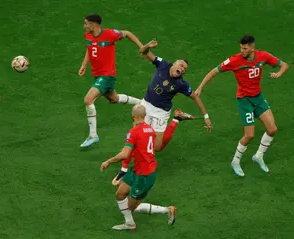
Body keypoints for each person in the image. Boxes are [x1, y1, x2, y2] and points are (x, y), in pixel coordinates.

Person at [112, 40, 213, 185]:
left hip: (161, 113)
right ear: (175, 64)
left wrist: (206, 116)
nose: (182, 69)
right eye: (181, 66)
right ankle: (124, 169)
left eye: (185, 69)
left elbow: (195, 97)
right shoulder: (162, 64)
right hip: (145, 106)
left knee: (157, 147)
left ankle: (176, 119)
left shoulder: (182, 84)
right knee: (135, 138)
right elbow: (143, 52)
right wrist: (148, 46)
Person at [195, 34, 289, 177]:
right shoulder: (234, 60)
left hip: (258, 98)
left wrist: (279, 74)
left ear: (252, 48)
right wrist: (200, 87)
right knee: (249, 135)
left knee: (272, 129)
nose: (242, 51)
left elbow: (284, 65)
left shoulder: (263, 56)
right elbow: (214, 71)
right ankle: (235, 161)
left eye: (245, 48)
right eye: (241, 48)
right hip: (244, 100)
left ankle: (258, 156)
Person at [101, 104, 176, 231]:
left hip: (145, 175)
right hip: (137, 169)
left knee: (131, 207)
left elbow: (125, 154)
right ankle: (130, 224)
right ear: (144, 115)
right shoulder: (150, 130)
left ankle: (167, 210)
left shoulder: (133, 132)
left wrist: (109, 161)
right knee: (120, 194)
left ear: (133, 116)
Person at [79, 13, 144, 148]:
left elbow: (127, 33)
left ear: (93, 24)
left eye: (86, 23)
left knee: (88, 100)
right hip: (97, 75)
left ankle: (93, 135)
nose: (84, 26)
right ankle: (143, 103)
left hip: (107, 75)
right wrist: (84, 65)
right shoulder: (88, 35)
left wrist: (141, 46)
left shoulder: (109, 34)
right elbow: (90, 48)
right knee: (113, 99)